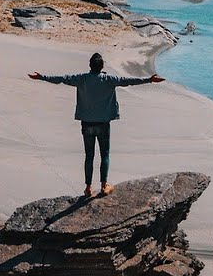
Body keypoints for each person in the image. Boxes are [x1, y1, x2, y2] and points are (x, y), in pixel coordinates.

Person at [29, 52, 165, 198]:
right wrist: (149, 80)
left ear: (90, 66)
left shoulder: (81, 78)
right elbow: (129, 81)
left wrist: (42, 77)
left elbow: (61, 79)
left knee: (89, 155)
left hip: (86, 123)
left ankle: (88, 188)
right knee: (104, 154)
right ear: (102, 66)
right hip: (103, 123)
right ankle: (103, 186)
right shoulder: (109, 79)